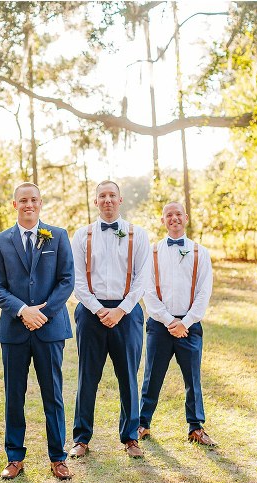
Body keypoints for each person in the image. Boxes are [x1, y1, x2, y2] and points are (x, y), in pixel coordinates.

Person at [0, 182, 75, 481]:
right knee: (14, 395)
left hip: (50, 329)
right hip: (15, 329)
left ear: (40, 203)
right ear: (14, 205)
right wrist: (23, 311)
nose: (29, 204)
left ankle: (58, 457)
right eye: (23, 200)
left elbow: (66, 280)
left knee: (53, 395)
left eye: (34, 200)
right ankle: (14, 457)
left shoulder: (58, 236)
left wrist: (43, 313)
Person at [69, 180, 150, 459]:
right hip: (91, 314)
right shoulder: (81, 235)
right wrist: (97, 309)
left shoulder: (137, 234)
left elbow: (142, 278)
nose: (107, 200)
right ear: (95, 202)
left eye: (111, 195)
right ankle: (81, 438)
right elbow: (77, 279)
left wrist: (121, 310)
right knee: (87, 376)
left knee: (128, 376)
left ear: (120, 199)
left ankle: (130, 437)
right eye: (102, 196)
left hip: (127, 314)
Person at [138, 201, 216, 446]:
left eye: (178, 214)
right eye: (168, 215)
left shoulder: (199, 252)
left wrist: (187, 321)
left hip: (190, 326)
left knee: (193, 378)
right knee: (152, 376)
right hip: (160, 325)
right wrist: (170, 321)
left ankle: (196, 427)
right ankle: (142, 424)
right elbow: (147, 291)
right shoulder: (151, 253)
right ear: (163, 221)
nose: (174, 218)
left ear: (186, 218)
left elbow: (204, 291)